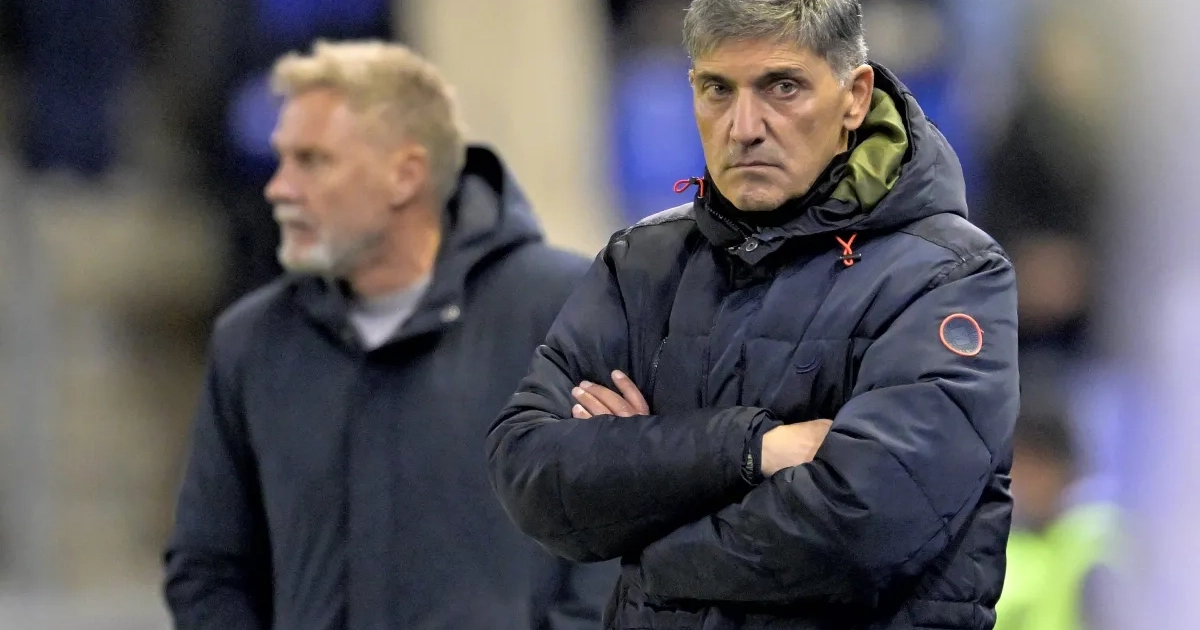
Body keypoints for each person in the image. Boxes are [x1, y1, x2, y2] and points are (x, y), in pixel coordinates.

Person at [486, 1, 1019, 628]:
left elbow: (862, 522)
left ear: (855, 97)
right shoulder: (641, 264)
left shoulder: (951, 275)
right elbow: (530, 471)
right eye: (718, 89)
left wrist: (647, 532)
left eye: (782, 87)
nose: (743, 127)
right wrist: (751, 447)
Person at [164, 40, 615, 630]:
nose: (279, 188)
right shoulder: (250, 342)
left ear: (404, 175)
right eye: (282, 159)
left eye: (312, 161)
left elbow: (623, 536)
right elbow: (207, 568)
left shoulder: (565, 308)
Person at [995, 410, 1120, 630]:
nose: (1022, 480)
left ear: (1064, 467)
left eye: (1035, 467)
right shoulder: (1001, 545)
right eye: (1016, 466)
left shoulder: (1096, 537)